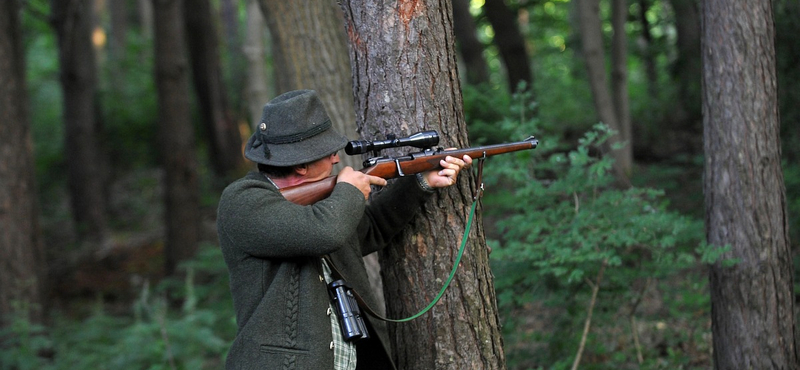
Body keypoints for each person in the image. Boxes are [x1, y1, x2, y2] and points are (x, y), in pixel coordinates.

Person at [216, 90, 471, 370]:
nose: (336, 160)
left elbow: (371, 228)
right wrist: (349, 191)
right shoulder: (243, 200)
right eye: (327, 153)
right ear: (301, 165)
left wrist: (421, 181)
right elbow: (324, 233)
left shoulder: (328, 201)